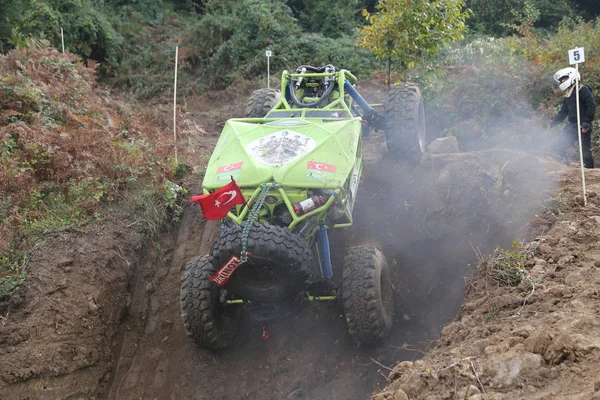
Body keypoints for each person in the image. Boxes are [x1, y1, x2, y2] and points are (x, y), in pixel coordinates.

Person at [550, 67, 596, 168]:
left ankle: (590, 172)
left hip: (583, 125)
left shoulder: (582, 90)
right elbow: (563, 112)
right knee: (559, 146)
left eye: (564, 78)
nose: (562, 81)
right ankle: (565, 165)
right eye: (561, 79)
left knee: (585, 151)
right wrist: (553, 123)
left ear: (572, 76)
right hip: (572, 126)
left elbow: (591, 105)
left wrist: (587, 122)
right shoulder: (568, 95)